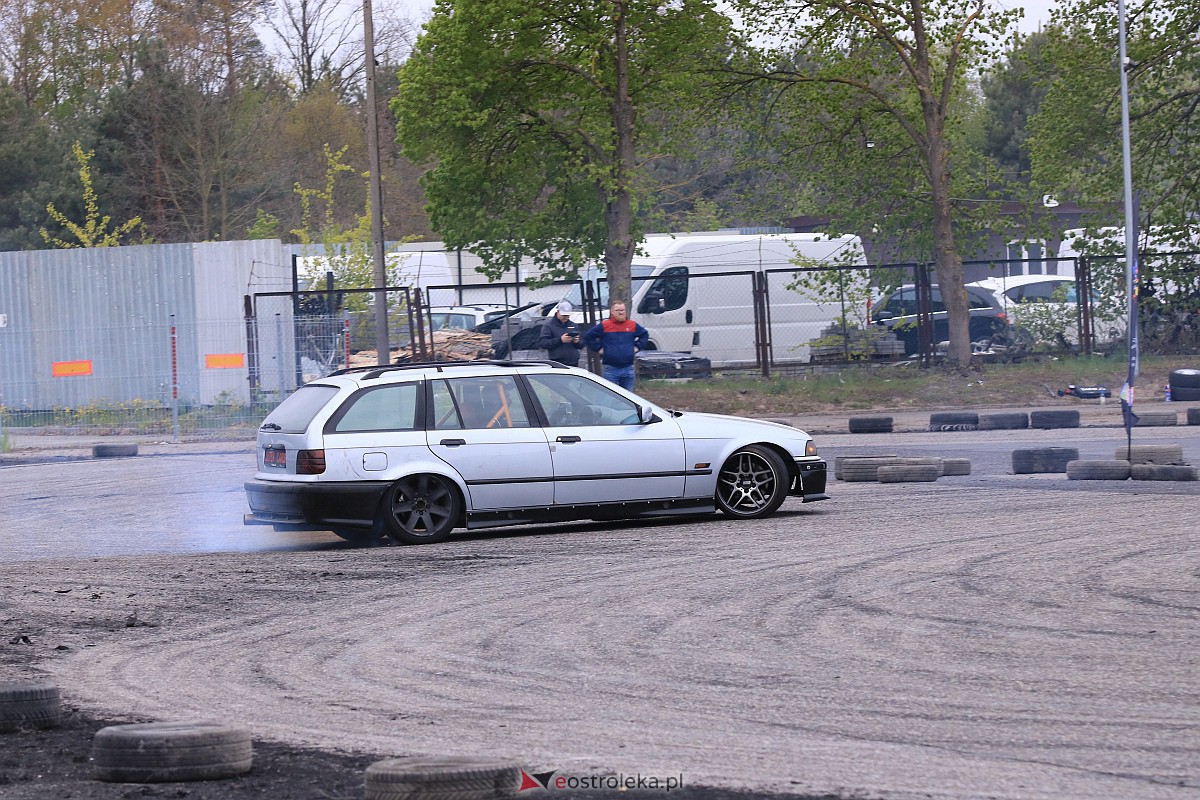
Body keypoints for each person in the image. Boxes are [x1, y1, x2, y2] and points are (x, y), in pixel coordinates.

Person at [583, 300, 649, 391]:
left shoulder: (632, 325)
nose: (621, 312)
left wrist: (637, 347)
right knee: (611, 398)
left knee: (629, 398)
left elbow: (644, 335)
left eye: (623, 310)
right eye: (618, 310)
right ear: (612, 312)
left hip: (628, 368)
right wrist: (599, 349)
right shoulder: (605, 325)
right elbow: (588, 337)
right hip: (610, 369)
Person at [537, 301, 584, 366]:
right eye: (563, 315)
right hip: (557, 362)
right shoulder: (548, 326)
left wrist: (577, 342)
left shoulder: (574, 325)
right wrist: (560, 340)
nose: (565, 317)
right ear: (558, 312)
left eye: (567, 315)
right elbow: (543, 343)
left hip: (573, 361)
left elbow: (581, 345)